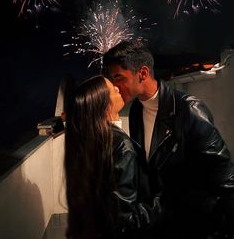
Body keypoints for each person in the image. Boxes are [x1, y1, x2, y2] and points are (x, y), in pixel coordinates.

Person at [103, 40, 234, 239]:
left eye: (119, 77)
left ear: (143, 73)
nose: (115, 87)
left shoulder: (189, 110)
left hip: (194, 224)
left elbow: (224, 177)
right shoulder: (137, 110)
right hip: (162, 223)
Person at [64, 75, 152, 239]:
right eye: (113, 88)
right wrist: (161, 206)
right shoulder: (121, 146)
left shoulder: (87, 140)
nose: (118, 88)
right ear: (104, 105)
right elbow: (124, 220)